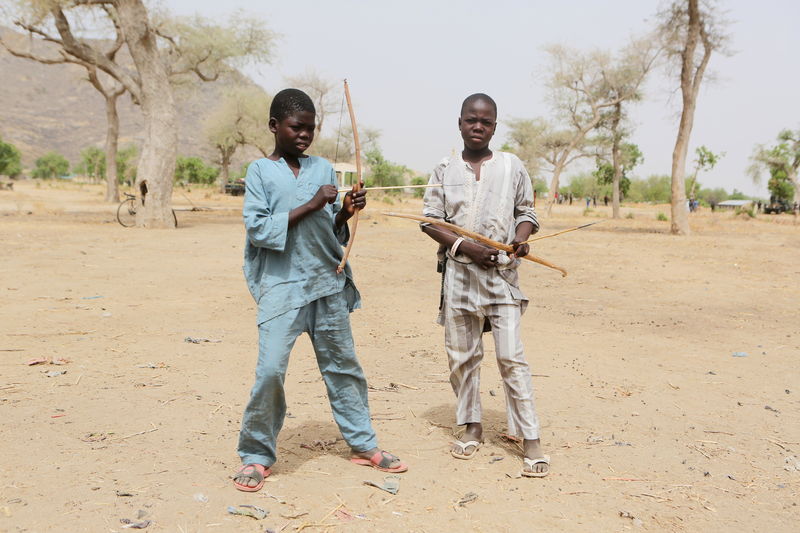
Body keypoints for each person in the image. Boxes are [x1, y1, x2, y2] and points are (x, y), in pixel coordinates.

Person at [233, 88, 407, 492]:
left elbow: (330, 229)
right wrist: (314, 203)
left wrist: (346, 209)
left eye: (311, 128)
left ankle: (364, 445)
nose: (304, 135)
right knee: (270, 371)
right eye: (296, 127)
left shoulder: (323, 169)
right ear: (275, 126)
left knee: (344, 368)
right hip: (282, 286)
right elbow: (259, 230)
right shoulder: (259, 170)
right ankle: (256, 455)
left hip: (326, 283)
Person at [421, 93, 549, 478]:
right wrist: (466, 247)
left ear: (495, 126)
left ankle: (531, 439)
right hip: (460, 276)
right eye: (471, 120)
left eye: (486, 121)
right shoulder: (445, 167)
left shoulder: (512, 167)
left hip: (502, 275)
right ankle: (472, 425)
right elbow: (430, 220)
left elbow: (526, 212)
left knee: (511, 357)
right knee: (463, 357)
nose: (478, 126)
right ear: (460, 122)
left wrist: (520, 240)